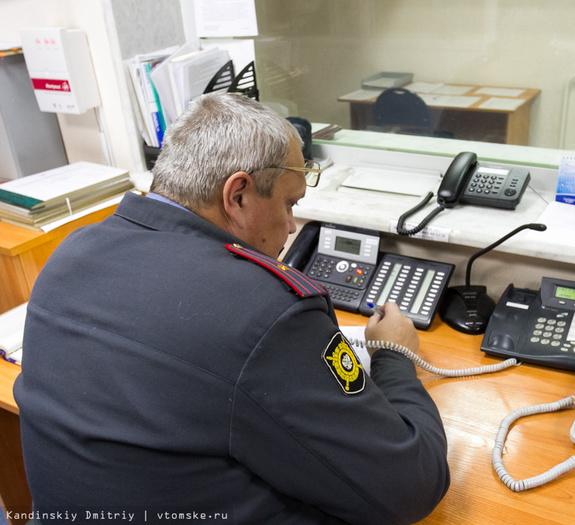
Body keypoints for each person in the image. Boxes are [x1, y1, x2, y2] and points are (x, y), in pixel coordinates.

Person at [14, 92, 450, 524]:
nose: (292, 226)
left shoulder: (72, 254)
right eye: (289, 204)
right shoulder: (265, 311)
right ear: (237, 196)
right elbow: (410, 486)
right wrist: (394, 357)